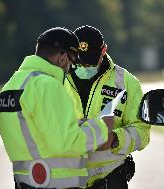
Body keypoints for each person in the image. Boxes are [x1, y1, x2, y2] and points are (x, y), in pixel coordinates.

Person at [0, 27, 114, 189]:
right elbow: (67, 142)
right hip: (56, 182)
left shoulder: (12, 85)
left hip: (24, 181)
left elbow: (36, 132)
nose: (70, 70)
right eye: (72, 64)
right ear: (64, 58)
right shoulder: (48, 85)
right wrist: (101, 127)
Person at [64, 25, 151, 189]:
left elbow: (142, 132)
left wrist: (114, 139)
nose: (84, 67)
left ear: (104, 50)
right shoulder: (55, 80)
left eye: (90, 60)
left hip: (109, 179)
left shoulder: (126, 83)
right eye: (79, 60)